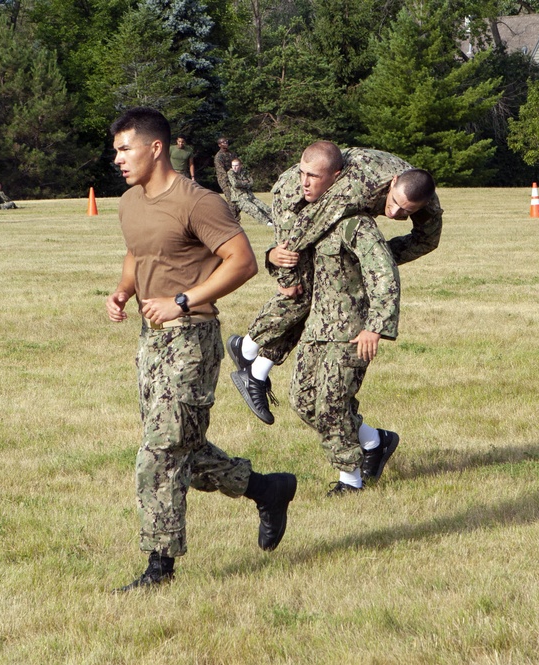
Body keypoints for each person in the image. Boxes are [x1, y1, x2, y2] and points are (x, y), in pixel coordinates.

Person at [105, 107, 297, 591]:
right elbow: (139, 250)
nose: (118, 159)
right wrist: (124, 291)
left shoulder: (199, 201)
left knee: (161, 451)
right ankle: (268, 489)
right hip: (151, 341)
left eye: (125, 149)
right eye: (115, 151)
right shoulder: (130, 202)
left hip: (192, 336)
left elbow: (243, 261)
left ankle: (159, 566)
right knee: (180, 449)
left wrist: (183, 300)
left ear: (155, 148)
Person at [227, 146, 442, 431]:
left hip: (333, 190)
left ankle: (253, 361)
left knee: (330, 284)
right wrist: (283, 271)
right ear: (391, 184)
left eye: (407, 210)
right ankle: (249, 352)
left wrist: (371, 257)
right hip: (296, 199)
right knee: (301, 291)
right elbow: (300, 235)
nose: (395, 211)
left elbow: (427, 240)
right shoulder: (353, 186)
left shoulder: (425, 199)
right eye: (394, 203)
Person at [281, 142, 401, 495]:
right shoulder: (305, 219)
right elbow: (289, 262)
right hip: (317, 326)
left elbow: (384, 275)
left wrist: (376, 327)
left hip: (351, 332)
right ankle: (375, 440)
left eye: (312, 176)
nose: (303, 183)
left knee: (332, 404)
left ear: (334, 179)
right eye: (301, 174)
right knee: (303, 402)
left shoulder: (356, 224)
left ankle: (351, 480)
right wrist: (274, 255)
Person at [227, 158, 274, 227]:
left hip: (249, 196)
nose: (234, 167)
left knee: (265, 207)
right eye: (233, 165)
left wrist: (242, 184)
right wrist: (245, 183)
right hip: (239, 198)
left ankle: (276, 220)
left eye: (236, 165)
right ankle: (267, 223)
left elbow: (251, 182)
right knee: (254, 209)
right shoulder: (230, 173)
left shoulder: (244, 172)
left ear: (240, 165)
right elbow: (235, 184)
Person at [213, 137, 240, 222]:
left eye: (226, 141)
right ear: (219, 145)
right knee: (231, 200)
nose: (226, 143)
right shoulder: (218, 157)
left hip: (234, 180)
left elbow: (238, 165)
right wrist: (229, 180)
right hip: (225, 181)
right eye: (223, 142)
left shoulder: (232, 154)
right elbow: (221, 171)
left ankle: (235, 218)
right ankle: (232, 220)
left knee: (239, 200)